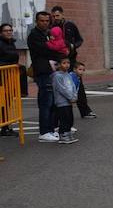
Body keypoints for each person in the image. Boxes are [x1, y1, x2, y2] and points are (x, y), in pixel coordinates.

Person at [28, 11, 63, 142]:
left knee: (52, 102)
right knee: (45, 102)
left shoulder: (48, 34)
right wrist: (56, 50)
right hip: (42, 71)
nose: (45, 23)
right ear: (37, 21)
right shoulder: (34, 35)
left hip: (51, 71)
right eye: (42, 21)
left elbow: (56, 50)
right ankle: (44, 131)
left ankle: (51, 129)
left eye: (47, 21)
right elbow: (46, 50)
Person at [0, 23, 27, 136]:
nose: (9, 32)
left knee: (7, 102)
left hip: (9, 77)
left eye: (10, 30)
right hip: (2, 77)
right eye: (6, 30)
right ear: (1, 33)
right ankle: (4, 126)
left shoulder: (11, 43)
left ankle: (5, 127)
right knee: (2, 102)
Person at [51, 58, 78, 145]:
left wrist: (74, 95)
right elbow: (61, 89)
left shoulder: (68, 75)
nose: (67, 65)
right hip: (62, 102)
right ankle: (63, 135)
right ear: (58, 65)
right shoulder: (57, 76)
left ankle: (68, 133)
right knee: (64, 118)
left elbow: (73, 86)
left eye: (68, 63)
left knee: (70, 118)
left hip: (69, 101)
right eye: (64, 63)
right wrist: (70, 97)